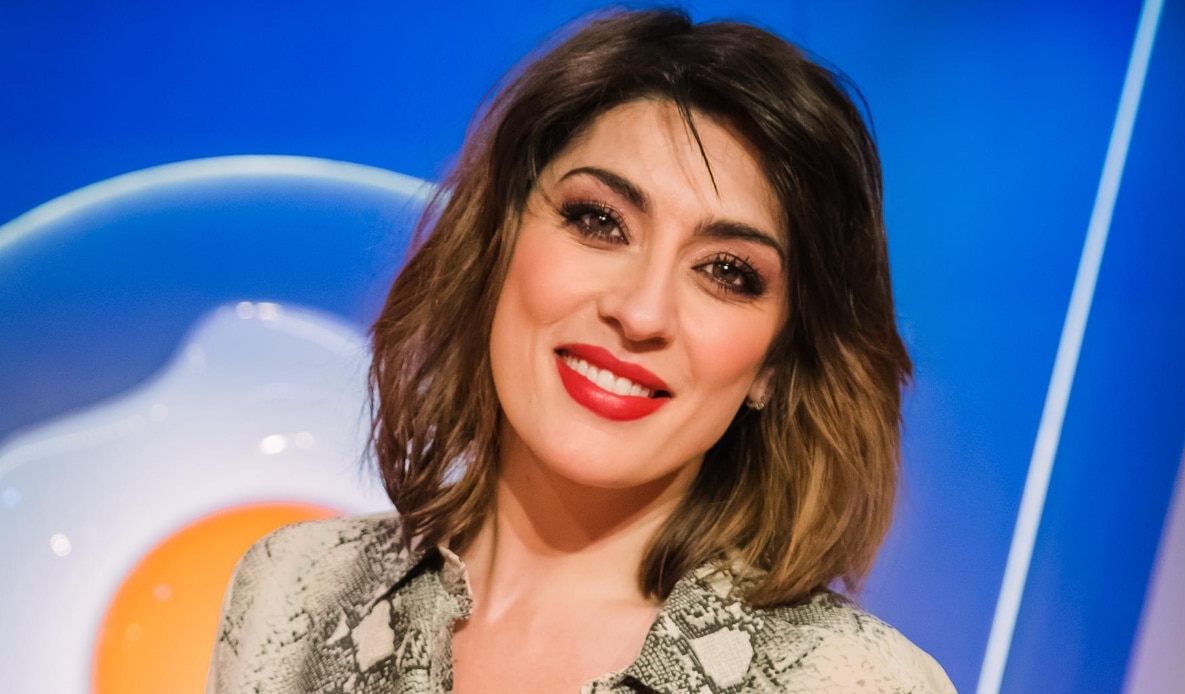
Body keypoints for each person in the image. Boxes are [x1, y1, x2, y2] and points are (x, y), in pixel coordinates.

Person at [207, 8, 956, 694]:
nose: (640, 312)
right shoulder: (297, 589)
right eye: (599, 221)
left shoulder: (848, 680)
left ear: (776, 363)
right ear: (498, 241)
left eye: (727, 272)